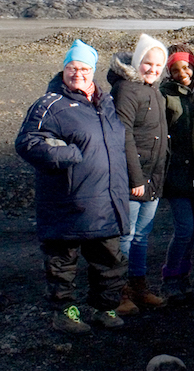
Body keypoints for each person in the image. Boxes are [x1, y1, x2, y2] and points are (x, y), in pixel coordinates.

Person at [16, 39, 129, 333]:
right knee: (62, 263)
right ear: (64, 69)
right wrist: (67, 155)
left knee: (109, 261)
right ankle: (66, 314)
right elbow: (27, 142)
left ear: (93, 71)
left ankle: (104, 310)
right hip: (66, 199)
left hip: (104, 200)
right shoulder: (49, 104)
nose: (77, 73)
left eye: (83, 68)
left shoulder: (106, 104)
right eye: (71, 68)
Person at [108, 34, 169, 314]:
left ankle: (139, 287)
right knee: (126, 236)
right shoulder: (126, 90)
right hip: (134, 179)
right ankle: (119, 292)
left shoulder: (154, 90)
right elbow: (124, 136)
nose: (153, 69)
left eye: (158, 65)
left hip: (153, 177)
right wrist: (135, 179)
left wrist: (155, 178)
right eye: (148, 63)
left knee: (142, 236)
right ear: (137, 61)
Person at [159, 44, 194, 303]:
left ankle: (183, 277)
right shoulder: (165, 95)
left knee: (192, 228)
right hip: (176, 172)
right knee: (185, 229)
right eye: (175, 69)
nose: (182, 73)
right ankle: (170, 279)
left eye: (186, 66)